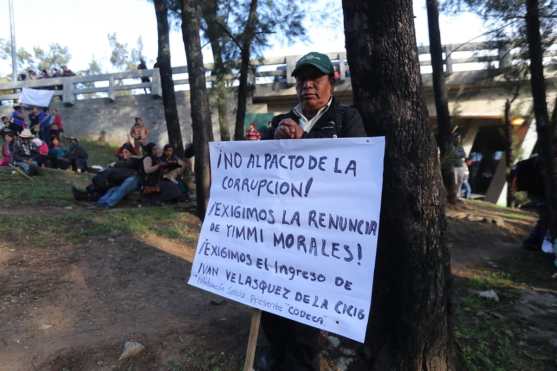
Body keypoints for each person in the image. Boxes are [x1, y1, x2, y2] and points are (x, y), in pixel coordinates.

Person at [260, 52, 367, 371]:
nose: (308, 86)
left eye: (315, 79)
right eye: (302, 80)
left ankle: (300, 363)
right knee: (273, 303)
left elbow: (355, 169)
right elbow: (261, 176)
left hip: (322, 236)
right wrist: (273, 143)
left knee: (305, 311)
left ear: (330, 82)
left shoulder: (348, 119)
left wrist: (304, 141)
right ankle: (275, 355)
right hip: (281, 232)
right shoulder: (280, 122)